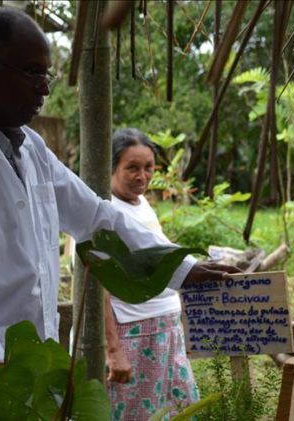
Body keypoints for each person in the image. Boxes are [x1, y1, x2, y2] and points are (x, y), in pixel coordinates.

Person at [0, 7, 236, 409]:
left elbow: (97, 217)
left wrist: (181, 268)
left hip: (24, 386)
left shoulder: (30, 148)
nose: (45, 89)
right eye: (32, 73)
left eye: (46, 75)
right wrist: (3, 386)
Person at [100, 128, 199, 419]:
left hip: (165, 334)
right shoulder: (102, 211)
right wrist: (113, 350)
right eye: (131, 167)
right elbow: (96, 288)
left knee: (177, 410)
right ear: (112, 167)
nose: (142, 176)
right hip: (132, 336)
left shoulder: (141, 204)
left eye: (148, 168)